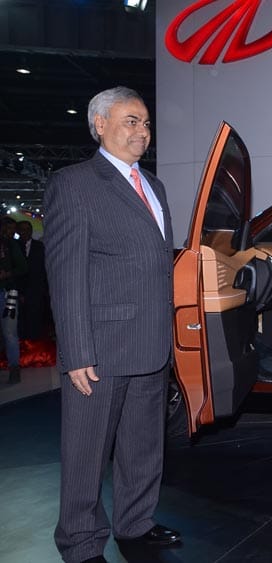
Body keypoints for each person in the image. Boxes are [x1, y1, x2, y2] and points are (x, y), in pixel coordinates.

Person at [44, 86, 179, 563]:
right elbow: (66, 274)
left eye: (145, 122)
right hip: (99, 348)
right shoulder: (74, 183)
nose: (141, 131)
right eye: (130, 121)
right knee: (86, 454)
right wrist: (77, 351)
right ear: (99, 124)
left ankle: (135, 525)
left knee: (144, 448)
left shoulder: (155, 186)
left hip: (151, 342)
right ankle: (80, 543)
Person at [0, 216, 27, 384]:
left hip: (8, 292)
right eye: (8, 229)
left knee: (10, 332)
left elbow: (23, 267)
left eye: (12, 229)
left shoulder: (12, 245)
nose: (11, 232)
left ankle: (14, 368)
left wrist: (7, 274)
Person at [15, 220, 48, 341]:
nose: (25, 232)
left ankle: (35, 348)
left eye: (28, 229)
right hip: (16, 292)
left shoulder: (40, 247)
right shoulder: (14, 246)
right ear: (18, 231)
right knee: (19, 322)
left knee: (35, 320)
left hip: (36, 291)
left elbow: (44, 270)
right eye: (22, 229)